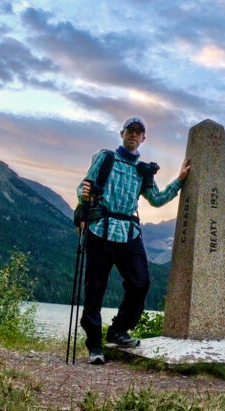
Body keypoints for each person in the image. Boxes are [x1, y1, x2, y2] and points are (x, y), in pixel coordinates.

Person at [77, 116, 190, 365]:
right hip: (101, 229)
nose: (134, 135)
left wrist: (180, 181)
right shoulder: (105, 158)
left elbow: (157, 199)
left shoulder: (143, 170)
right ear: (122, 133)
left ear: (143, 139)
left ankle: (118, 331)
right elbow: (84, 187)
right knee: (94, 289)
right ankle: (95, 345)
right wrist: (84, 194)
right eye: (130, 131)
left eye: (139, 132)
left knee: (140, 283)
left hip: (129, 231)